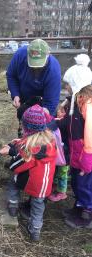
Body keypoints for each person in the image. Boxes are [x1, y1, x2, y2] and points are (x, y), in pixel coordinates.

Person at [0, 104, 57, 241]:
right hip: (44, 184)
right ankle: (35, 231)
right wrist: (20, 142)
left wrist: (11, 151)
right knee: (38, 207)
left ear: (27, 128)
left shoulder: (31, 149)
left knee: (13, 181)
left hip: (31, 181)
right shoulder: (50, 140)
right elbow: (32, 143)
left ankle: (13, 206)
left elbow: (17, 165)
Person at [56, 55, 92, 228]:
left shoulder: (87, 105)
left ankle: (87, 215)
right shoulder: (75, 102)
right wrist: (55, 121)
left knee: (85, 184)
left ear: (77, 85)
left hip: (86, 154)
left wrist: (88, 160)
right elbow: (68, 122)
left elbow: (90, 133)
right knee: (76, 182)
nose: (66, 87)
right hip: (77, 150)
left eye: (68, 84)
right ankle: (78, 207)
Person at [6, 39, 61, 116]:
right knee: (23, 115)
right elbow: (11, 75)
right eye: (33, 64)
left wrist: (43, 117)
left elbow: (51, 101)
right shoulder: (20, 55)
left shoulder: (53, 70)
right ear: (28, 55)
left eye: (39, 65)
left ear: (47, 56)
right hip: (24, 97)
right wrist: (15, 94)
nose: (35, 68)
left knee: (45, 121)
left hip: (43, 99)